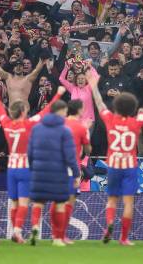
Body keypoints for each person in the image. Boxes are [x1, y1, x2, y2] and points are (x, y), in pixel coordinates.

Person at [87, 68, 143, 246]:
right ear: (133, 108)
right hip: (130, 166)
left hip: (114, 165)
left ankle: (109, 224)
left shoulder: (110, 120)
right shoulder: (136, 121)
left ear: (116, 106)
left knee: (111, 199)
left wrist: (93, 86)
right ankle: (124, 238)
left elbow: (100, 103)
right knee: (128, 202)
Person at [0, 79, 65, 243]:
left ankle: (15, 231)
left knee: (14, 202)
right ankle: (17, 231)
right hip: (24, 168)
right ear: (23, 111)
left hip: (11, 168)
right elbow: (47, 111)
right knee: (23, 202)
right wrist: (58, 93)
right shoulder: (29, 124)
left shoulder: (6, 123)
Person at [27, 100, 79, 247]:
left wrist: (33, 169)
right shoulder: (65, 130)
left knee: (38, 202)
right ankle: (57, 238)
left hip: (39, 172)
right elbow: (70, 156)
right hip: (59, 174)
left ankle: (35, 228)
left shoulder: (36, 129)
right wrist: (76, 174)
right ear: (62, 111)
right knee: (60, 204)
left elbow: (30, 152)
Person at [60, 100, 92, 244]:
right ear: (79, 110)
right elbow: (87, 150)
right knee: (69, 201)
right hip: (73, 167)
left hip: (57, 165)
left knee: (58, 200)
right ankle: (62, 235)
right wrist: (87, 132)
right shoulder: (81, 127)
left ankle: (57, 234)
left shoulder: (60, 124)